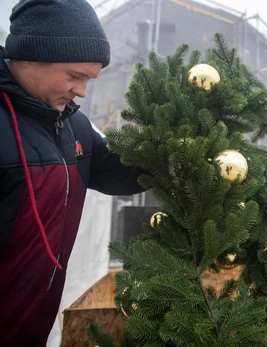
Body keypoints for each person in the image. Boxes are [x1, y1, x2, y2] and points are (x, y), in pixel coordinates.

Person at [0, 1, 148, 345]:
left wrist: (170, 150)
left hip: (31, 328)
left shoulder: (73, 125)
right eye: (74, 76)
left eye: (89, 79)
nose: (82, 91)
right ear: (28, 57)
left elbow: (120, 173)